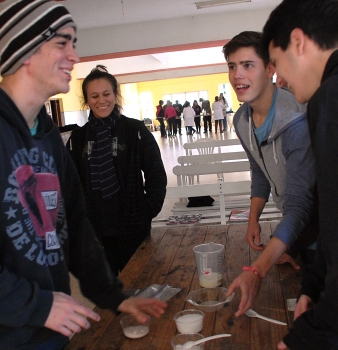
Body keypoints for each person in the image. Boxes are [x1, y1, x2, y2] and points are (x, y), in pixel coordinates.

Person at [0, 1, 167, 349]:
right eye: (63, 42)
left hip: (50, 332)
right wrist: (38, 304)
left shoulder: (47, 135)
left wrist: (112, 295)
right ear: (25, 49)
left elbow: (74, 225)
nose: (74, 56)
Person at [222, 31, 319, 318]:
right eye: (232, 66)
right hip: (294, 230)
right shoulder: (242, 120)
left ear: (270, 70)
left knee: (312, 313)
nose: (238, 74)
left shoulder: (295, 120)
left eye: (248, 65)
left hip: (321, 232)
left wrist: (257, 270)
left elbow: (301, 205)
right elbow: (259, 169)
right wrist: (254, 219)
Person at [262, 0, 338, 349]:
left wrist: (314, 333)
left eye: (275, 63)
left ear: (299, 42)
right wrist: (313, 285)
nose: (279, 78)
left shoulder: (329, 99)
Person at [67, 65, 167, 276]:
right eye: (94, 96)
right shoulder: (77, 139)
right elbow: (70, 183)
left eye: (106, 94)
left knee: (140, 282)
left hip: (133, 225)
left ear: (115, 95)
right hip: (95, 230)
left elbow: (155, 173)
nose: (101, 100)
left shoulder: (135, 131)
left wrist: (147, 209)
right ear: (86, 100)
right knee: (108, 292)